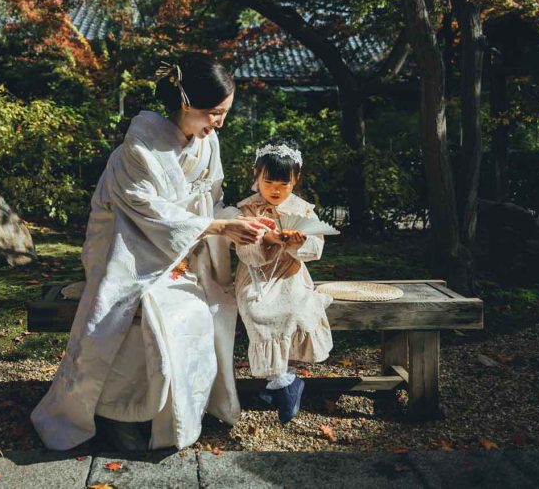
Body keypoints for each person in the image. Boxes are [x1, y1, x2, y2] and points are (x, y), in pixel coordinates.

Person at [31, 53, 274, 451]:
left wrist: (235, 227)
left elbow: (209, 205)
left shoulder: (207, 144)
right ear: (185, 104)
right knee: (140, 314)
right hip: (124, 248)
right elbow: (147, 211)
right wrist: (214, 228)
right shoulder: (139, 146)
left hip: (181, 248)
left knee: (203, 307)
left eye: (224, 113)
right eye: (214, 112)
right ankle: (115, 415)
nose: (220, 123)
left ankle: (170, 416)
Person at [234, 138, 334, 423]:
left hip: (290, 274)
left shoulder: (302, 210)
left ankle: (280, 381)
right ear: (256, 176)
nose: (276, 190)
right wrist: (265, 239)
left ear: (296, 179)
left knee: (293, 308)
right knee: (256, 309)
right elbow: (243, 250)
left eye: (284, 184)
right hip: (256, 274)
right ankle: (282, 381)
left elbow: (316, 249)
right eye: (269, 182)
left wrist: (296, 244)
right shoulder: (248, 210)